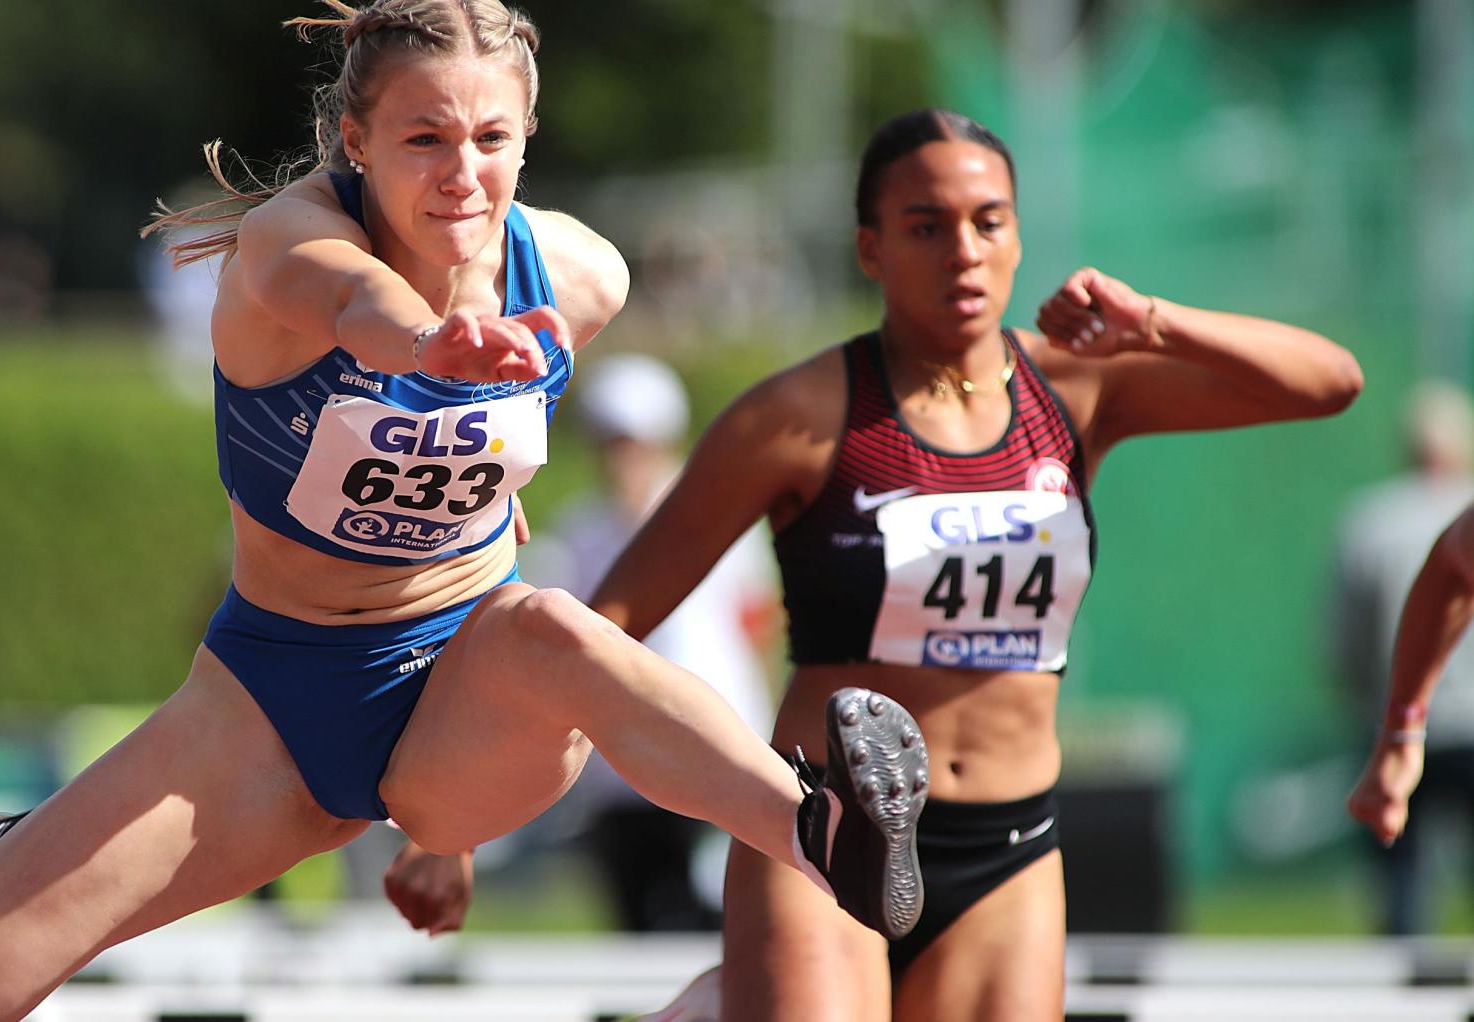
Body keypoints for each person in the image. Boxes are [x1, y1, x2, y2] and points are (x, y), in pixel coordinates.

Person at [0, 5, 926, 1019]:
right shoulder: (287, 243)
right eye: (423, 138)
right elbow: (348, 303)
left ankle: (819, 829)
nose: (460, 173)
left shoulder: (576, 276)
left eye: (489, 137)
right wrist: (428, 346)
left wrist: (454, 817)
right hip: (272, 703)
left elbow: (473, 481)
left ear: (525, 141)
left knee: (554, 626)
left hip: (464, 697)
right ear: (355, 140)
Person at [588, 108, 1363, 1020]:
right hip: (826, 833)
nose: (963, 249)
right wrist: (460, 832)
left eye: (988, 221)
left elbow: (1327, 382)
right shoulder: (794, 417)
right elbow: (607, 626)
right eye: (927, 225)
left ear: (1018, 236)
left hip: (1008, 847)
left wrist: (1153, 321)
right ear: (871, 249)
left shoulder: (1078, 387)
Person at [526, 352, 779, 931]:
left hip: (719, 762)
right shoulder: (579, 532)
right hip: (621, 776)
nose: (625, 459)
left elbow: (754, 624)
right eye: (613, 443)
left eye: (636, 442)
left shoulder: (716, 517)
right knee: (639, 929)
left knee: (720, 929)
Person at [1333, 381, 1474, 933]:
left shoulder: (1368, 522)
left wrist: (1388, 719)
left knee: (1401, 892)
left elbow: (1345, 641)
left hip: (1400, 726)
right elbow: (1446, 573)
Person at [1346, 498, 1474, 903]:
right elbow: (1453, 563)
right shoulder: (1373, 520)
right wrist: (1401, 730)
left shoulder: (1371, 520)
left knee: (1401, 872)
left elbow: (1451, 564)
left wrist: (1400, 730)